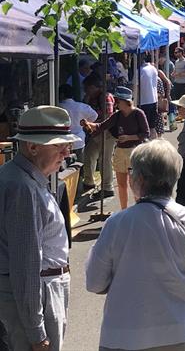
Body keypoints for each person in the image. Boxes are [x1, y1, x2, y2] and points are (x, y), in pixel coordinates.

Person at [85, 139, 185, 351]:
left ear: (138, 178)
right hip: (179, 333)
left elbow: (95, 283)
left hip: (122, 334)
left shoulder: (116, 224)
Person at [0, 106, 80, 351]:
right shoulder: (23, 187)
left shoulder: (23, 179)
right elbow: (26, 265)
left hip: (38, 294)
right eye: (58, 146)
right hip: (37, 297)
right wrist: (37, 332)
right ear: (32, 147)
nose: (66, 153)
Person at [82, 86, 150, 210]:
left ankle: (139, 210)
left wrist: (129, 137)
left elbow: (145, 133)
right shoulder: (118, 115)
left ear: (126, 102)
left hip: (134, 152)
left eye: (118, 101)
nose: (116, 103)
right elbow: (102, 126)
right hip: (120, 151)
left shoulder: (138, 113)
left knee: (134, 184)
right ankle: (124, 210)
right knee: (121, 184)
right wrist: (89, 124)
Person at [82, 74, 116, 198]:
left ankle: (107, 187)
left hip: (106, 132)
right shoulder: (91, 98)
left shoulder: (105, 97)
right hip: (95, 132)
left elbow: (108, 116)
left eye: (87, 88)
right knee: (89, 153)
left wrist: (93, 123)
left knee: (104, 159)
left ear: (93, 87)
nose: (85, 91)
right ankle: (89, 181)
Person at [58, 83, 97, 161]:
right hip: (79, 139)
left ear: (61, 94)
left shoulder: (58, 106)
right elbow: (94, 115)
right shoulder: (81, 106)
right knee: (79, 165)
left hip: (63, 141)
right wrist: (85, 123)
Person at [139, 54, 159, 139]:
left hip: (144, 100)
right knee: (152, 126)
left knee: (144, 127)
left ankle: (148, 145)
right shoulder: (154, 69)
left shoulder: (140, 70)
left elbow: (135, 85)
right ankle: (155, 144)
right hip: (153, 99)